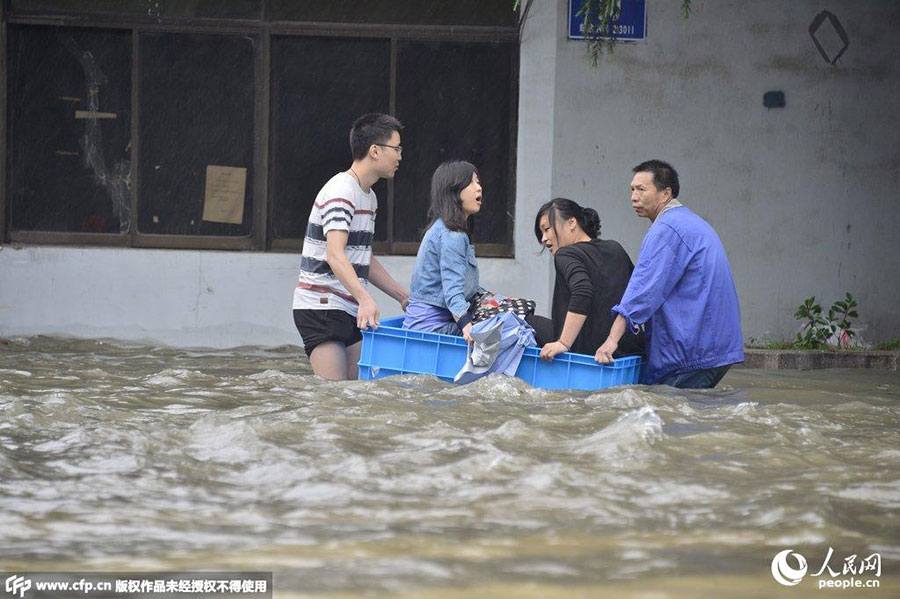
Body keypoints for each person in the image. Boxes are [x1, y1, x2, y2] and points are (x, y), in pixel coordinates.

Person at [595, 160, 744, 389]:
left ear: (666, 194)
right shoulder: (690, 222)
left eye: (641, 189)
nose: (634, 197)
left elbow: (643, 290)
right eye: (632, 189)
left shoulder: (666, 228)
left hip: (694, 352)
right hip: (714, 346)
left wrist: (611, 340)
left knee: (664, 410)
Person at [292, 113, 410, 380]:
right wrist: (365, 298)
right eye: (397, 148)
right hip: (321, 306)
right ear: (375, 151)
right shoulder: (341, 191)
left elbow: (362, 257)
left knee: (354, 395)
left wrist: (403, 296)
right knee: (334, 395)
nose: (400, 156)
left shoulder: (369, 197)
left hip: (347, 306)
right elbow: (335, 255)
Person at [530, 198, 644, 361]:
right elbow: (638, 291)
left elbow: (582, 291)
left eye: (547, 229)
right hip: (629, 351)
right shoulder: (615, 248)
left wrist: (563, 343)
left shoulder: (565, 254)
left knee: (522, 320)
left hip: (588, 355)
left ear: (571, 223)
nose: (544, 238)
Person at [403, 160, 484, 342]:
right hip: (431, 329)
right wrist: (467, 326)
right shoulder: (452, 235)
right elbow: (453, 291)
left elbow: (459, 283)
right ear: (453, 190)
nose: (479, 188)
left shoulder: (448, 230)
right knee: (508, 331)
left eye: (478, 182)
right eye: (471, 182)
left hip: (432, 323)